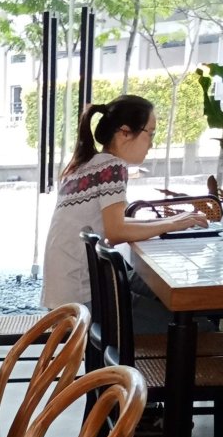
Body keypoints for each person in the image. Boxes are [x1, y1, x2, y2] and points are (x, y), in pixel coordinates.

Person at [42, 95, 207, 314]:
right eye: (150, 133)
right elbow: (116, 231)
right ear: (125, 132)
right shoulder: (112, 167)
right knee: (193, 323)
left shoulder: (87, 165)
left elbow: (116, 222)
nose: (152, 144)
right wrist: (170, 225)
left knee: (157, 290)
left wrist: (172, 221)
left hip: (65, 293)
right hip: (83, 302)